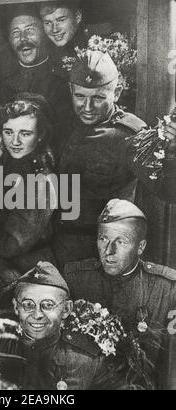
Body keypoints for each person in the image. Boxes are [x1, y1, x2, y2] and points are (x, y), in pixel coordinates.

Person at [53, 49, 176, 268]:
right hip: (55, 243)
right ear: (70, 90)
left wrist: (172, 151)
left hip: (100, 255)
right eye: (80, 96)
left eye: (99, 98)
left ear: (117, 92)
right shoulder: (62, 122)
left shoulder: (131, 135)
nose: (88, 107)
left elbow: (168, 190)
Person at [63, 199, 176, 387]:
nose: (109, 251)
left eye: (121, 241)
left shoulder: (165, 288)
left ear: (141, 247)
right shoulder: (75, 279)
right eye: (103, 239)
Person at [0, 5, 74, 151]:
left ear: (45, 34)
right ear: (10, 41)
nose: (23, 39)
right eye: (15, 33)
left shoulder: (60, 82)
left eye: (30, 30)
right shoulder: (7, 80)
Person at [0, 94, 57, 272]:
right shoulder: (13, 164)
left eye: (25, 134)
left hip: (26, 267)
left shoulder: (40, 179)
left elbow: (12, 245)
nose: (15, 142)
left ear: (40, 136)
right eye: (8, 132)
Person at [10, 260, 106, 390]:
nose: (37, 314)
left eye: (48, 305)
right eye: (28, 305)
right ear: (16, 307)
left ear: (66, 309)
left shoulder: (85, 360)